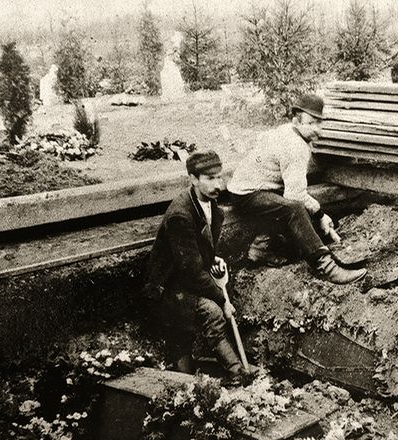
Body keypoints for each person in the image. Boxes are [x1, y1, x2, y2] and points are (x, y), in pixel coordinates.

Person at [227, 93, 365, 285]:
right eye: (311, 123)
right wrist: (320, 215)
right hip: (247, 194)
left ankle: (259, 250)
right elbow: (295, 196)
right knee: (294, 209)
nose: (318, 130)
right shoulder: (295, 146)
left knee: (285, 205)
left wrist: (319, 214)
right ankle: (327, 267)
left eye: (320, 123)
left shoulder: (289, 131)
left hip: (258, 188)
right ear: (296, 121)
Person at [144, 151, 252, 379]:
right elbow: (190, 270)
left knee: (227, 296)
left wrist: (214, 259)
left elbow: (201, 249)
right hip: (169, 285)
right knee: (213, 312)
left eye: (220, 177)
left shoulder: (210, 206)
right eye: (210, 178)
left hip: (189, 276)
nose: (218, 185)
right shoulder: (181, 216)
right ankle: (236, 371)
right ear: (193, 179)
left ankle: (230, 362)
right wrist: (222, 301)